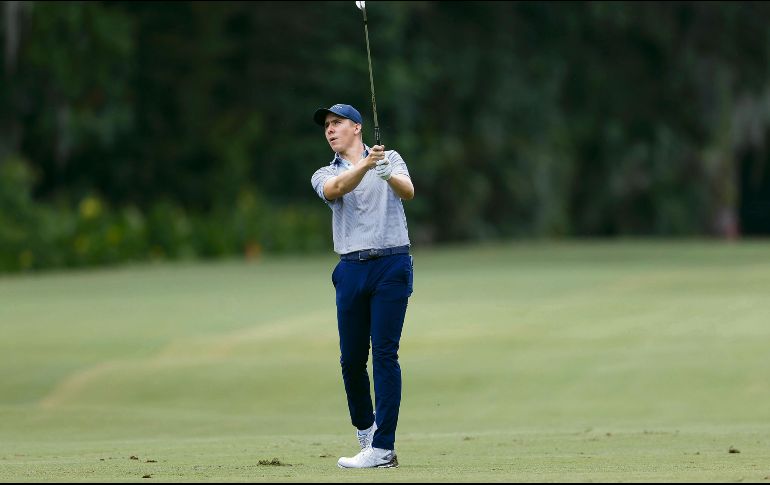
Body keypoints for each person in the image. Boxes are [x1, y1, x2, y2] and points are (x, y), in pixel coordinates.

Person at [310, 103, 415, 469]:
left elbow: (408, 191)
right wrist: (366, 166)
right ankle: (366, 432)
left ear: (357, 127)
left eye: (336, 123)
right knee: (352, 360)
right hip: (351, 267)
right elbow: (336, 188)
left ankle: (383, 448)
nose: (330, 129)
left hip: (392, 263)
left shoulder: (390, 158)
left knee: (385, 354)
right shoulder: (326, 171)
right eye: (326, 125)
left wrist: (386, 173)